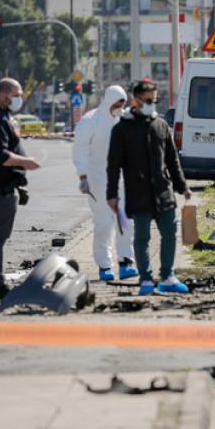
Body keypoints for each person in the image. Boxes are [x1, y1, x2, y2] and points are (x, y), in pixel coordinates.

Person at [107, 80, 192, 296]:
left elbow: (172, 160)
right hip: (138, 192)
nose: (151, 104)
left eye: (154, 100)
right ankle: (145, 279)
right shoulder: (122, 129)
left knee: (170, 233)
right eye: (147, 100)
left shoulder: (161, 126)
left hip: (163, 191)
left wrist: (182, 186)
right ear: (135, 100)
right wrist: (112, 195)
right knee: (142, 237)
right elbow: (113, 165)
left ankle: (167, 277)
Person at [0, 78, 42, 301]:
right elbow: (0, 155)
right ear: (3, 95)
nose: (19, 99)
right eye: (17, 94)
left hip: (3, 185)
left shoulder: (3, 116)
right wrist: (25, 162)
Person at [72, 85, 138, 282]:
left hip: (122, 179)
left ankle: (126, 262)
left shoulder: (126, 119)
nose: (121, 106)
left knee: (125, 221)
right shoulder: (90, 121)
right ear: (109, 100)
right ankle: (104, 265)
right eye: (118, 102)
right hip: (97, 179)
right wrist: (83, 177)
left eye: (124, 103)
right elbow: (80, 150)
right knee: (103, 223)